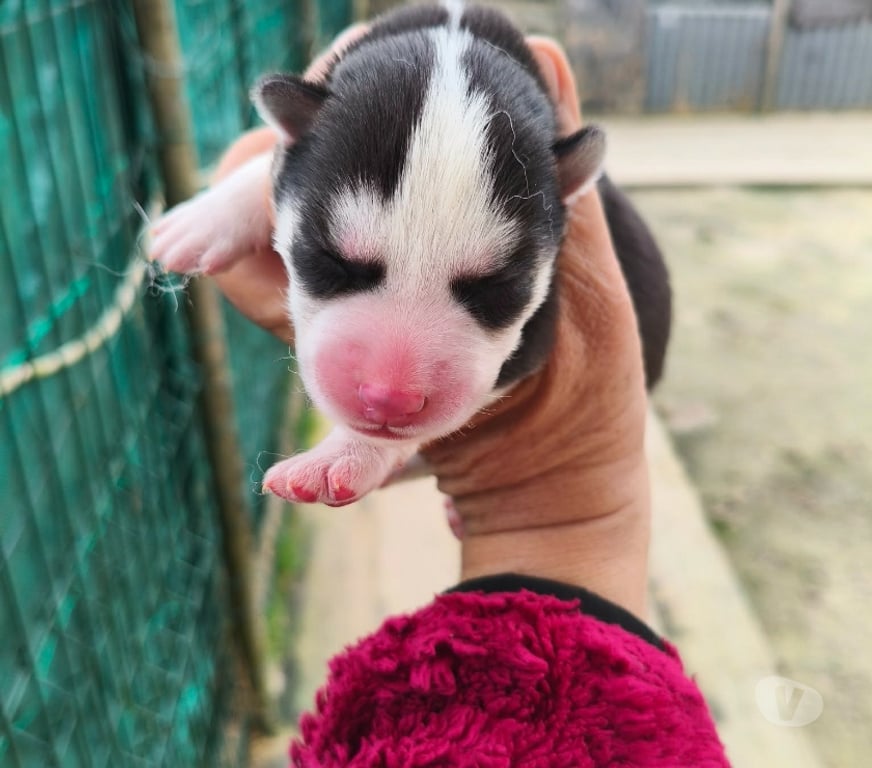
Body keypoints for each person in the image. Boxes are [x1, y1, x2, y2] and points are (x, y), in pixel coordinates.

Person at [156, 27, 730, 768]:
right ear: (290, 127)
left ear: (567, 190)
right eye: (340, 263)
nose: (392, 386)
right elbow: (292, 165)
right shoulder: (328, 131)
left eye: (489, 289)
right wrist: (244, 198)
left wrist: (381, 441)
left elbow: (537, 344)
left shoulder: (536, 180)